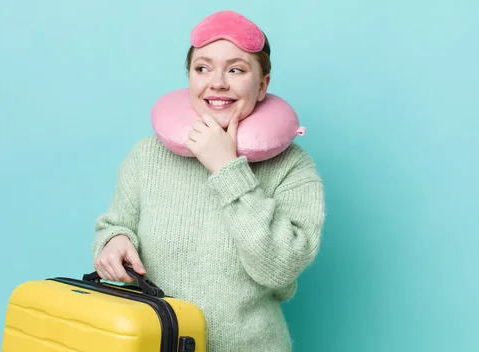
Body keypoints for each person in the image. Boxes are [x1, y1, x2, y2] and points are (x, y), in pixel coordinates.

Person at [91, 10, 326, 352]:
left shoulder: (293, 167)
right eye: (202, 68)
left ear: (262, 85)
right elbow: (115, 224)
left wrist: (226, 168)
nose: (217, 83)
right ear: (189, 77)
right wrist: (113, 241)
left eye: (236, 69)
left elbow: (279, 267)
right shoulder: (147, 155)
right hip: (155, 343)